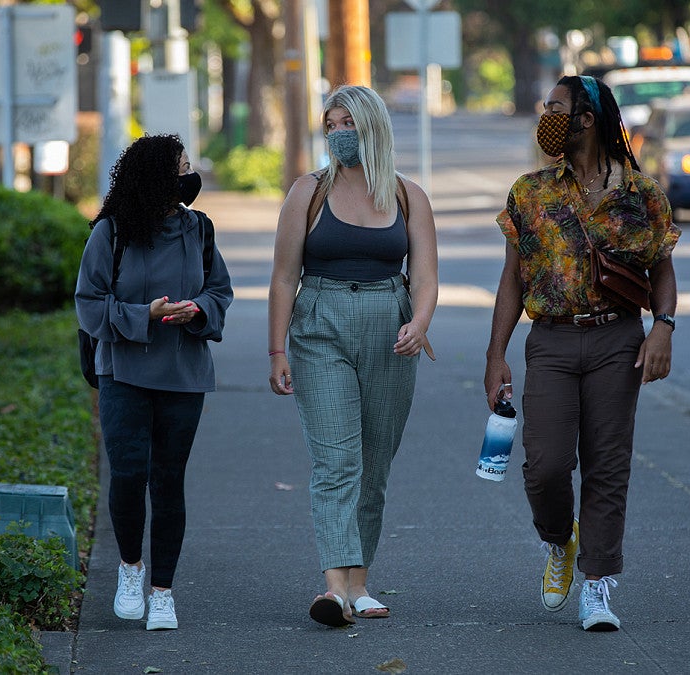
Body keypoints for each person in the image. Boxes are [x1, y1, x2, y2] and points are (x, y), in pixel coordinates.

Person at [484, 75, 680, 632]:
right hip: (550, 340)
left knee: (607, 464)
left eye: (555, 107)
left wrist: (662, 327)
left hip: (618, 339)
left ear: (586, 119)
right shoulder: (530, 192)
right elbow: (510, 280)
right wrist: (496, 354)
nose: (545, 115)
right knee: (544, 466)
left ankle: (597, 585)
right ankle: (558, 541)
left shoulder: (642, 195)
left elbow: (662, 269)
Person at [267, 84, 439, 627]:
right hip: (320, 325)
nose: (339, 133)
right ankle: (334, 590)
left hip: (391, 325)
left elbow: (429, 278)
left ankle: (360, 583)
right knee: (336, 460)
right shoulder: (308, 192)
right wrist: (277, 350)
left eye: (350, 124)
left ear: (374, 129)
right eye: (331, 124)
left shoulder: (408, 195)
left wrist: (420, 322)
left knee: (375, 461)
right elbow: (282, 277)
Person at [75, 134, 233, 631]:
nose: (189, 176)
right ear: (152, 178)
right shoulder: (112, 233)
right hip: (123, 372)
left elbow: (219, 291)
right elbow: (89, 303)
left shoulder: (199, 230)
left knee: (168, 480)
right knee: (128, 474)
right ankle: (129, 570)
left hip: (184, 374)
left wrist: (197, 310)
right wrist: (146, 314)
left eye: (189, 165)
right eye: (180, 167)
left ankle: (162, 591)